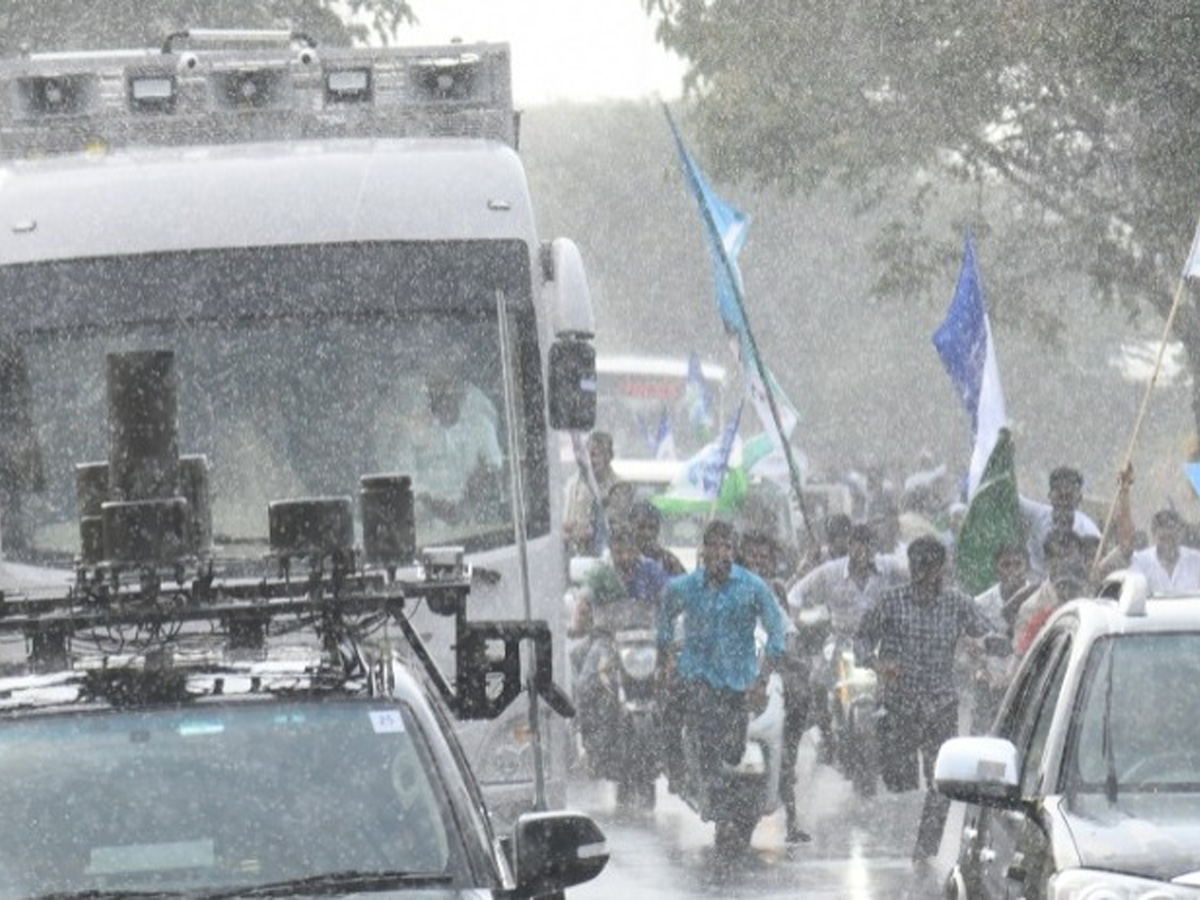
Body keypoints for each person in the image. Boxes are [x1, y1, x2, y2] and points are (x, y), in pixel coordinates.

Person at [854, 535, 998, 875]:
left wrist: (983, 645)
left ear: (941, 569)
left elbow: (987, 633)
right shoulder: (890, 602)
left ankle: (925, 847)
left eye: (930, 567)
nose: (924, 575)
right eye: (918, 566)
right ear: (911, 567)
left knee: (940, 781)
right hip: (899, 705)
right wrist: (877, 664)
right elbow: (861, 639)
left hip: (941, 704)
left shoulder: (957, 604)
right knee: (899, 780)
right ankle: (895, 835)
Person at [655, 520, 789, 838]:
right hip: (698, 675)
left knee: (733, 749)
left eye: (726, 546)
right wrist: (668, 660)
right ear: (703, 550)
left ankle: (747, 791)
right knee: (695, 723)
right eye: (713, 546)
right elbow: (664, 615)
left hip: (739, 681)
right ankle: (692, 781)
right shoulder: (686, 586)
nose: (719, 553)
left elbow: (777, 632)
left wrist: (762, 679)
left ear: (733, 551)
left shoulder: (753, 587)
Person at [788, 523, 908, 768]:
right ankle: (827, 738)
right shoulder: (830, 572)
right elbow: (795, 595)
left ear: (875, 548)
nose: (862, 550)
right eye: (857, 544)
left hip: (879, 641)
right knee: (816, 682)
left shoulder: (887, 568)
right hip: (840, 639)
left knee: (905, 683)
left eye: (868, 544)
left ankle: (900, 742)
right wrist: (795, 621)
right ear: (849, 546)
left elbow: (914, 578)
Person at [738, 528, 811, 844]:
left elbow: (786, 631)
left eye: (764, 558)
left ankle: (790, 813)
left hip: (768, 671)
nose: (758, 563)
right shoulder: (726, 587)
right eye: (752, 556)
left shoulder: (772, 594)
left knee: (800, 695)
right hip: (728, 671)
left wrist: (786, 651)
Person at [405, 360, 504, 525]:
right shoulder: (414, 429)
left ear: (461, 388)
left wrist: (481, 479)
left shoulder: (481, 425)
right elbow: (403, 481)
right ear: (428, 391)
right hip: (425, 535)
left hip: (481, 531)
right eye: (437, 387)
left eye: (450, 386)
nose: (445, 393)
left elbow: (496, 469)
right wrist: (431, 502)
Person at [1011, 528, 1090, 659]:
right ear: (1048, 562)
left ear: (1081, 559)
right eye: (1059, 556)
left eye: (1070, 555)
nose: (1066, 562)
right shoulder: (1032, 608)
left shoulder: (1095, 596)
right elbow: (1021, 661)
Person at [563, 431, 632, 558]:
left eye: (595, 455)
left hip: (605, 556)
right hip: (575, 555)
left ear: (609, 456)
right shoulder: (574, 484)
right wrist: (570, 532)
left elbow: (613, 526)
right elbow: (567, 523)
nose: (591, 460)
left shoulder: (620, 486)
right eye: (588, 455)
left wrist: (590, 531)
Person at [1021, 466, 1100, 577]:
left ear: (1079, 498)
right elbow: (1011, 495)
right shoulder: (1036, 515)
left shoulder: (1089, 531)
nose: (1064, 502)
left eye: (1068, 496)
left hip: (1071, 584)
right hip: (1034, 583)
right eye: (1059, 495)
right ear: (1050, 495)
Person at [1126, 508, 1200, 594]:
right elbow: (1133, 593)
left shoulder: (1196, 560)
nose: (1167, 544)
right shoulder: (1140, 562)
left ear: (1180, 535)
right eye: (1162, 538)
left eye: (1171, 538)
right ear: (1154, 537)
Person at [628, 500, 686, 576]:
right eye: (641, 527)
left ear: (658, 529)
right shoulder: (622, 557)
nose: (647, 533)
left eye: (652, 527)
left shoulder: (668, 560)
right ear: (630, 528)